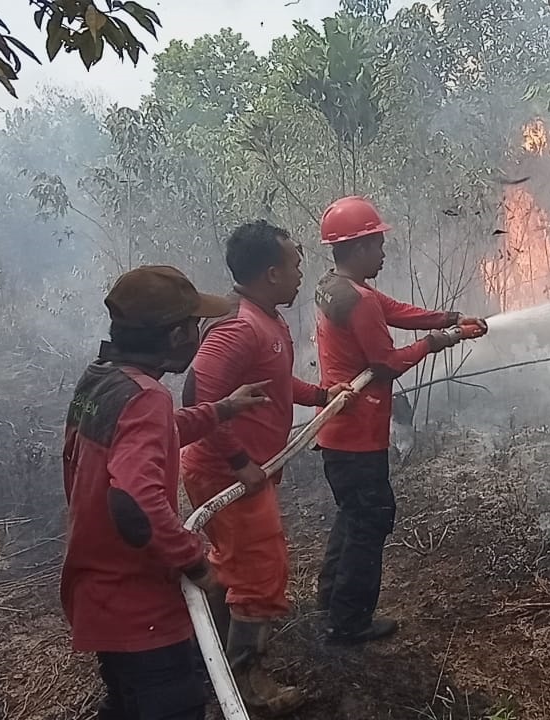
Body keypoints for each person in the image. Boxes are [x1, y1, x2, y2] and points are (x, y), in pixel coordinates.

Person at [61, 265, 270, 720]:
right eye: (193, 325)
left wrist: (221, 409)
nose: (197, 334)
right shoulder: (147, 397)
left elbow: (152, 434)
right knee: (174, 705)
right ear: (176, 335)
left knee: (126, 705)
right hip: (140, 603)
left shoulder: (103, 380)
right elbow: (135, 501)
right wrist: (196, 563)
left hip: (100, 590)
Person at [180, 220, 350, 714]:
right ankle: (247, 684)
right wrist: (239, 461)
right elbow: (198, 397)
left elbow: (274, 382)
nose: (300, 274)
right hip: (225, 474)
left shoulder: (264, 319)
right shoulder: (238, 327)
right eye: (294, 265)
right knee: (260, 572)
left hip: (238, 471)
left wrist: (320, 395)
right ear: (271, 273)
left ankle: (211, 656)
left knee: (234, 565)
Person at [313, 195, 487, 644]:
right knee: (371, 519)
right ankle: (349, 623)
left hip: (337, 432)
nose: (384, 251)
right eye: (377, 243)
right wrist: (437, 342)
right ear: (358, 247)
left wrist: (451, 319)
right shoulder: (358, 300)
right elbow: (386, 364)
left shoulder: (338, 287)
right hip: (358, 434)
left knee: (353, 514)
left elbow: (394, 311)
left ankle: (331, 600)